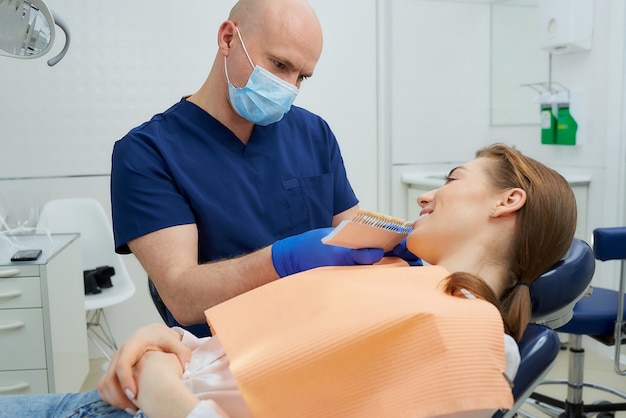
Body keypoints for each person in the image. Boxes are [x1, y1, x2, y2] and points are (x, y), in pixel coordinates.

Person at [0, 144, 577, 417]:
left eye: (450, 179)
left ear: (509, 200)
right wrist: (166, 340)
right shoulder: (400, 277)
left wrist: (159, 378)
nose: (426, 195)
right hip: (134, 389)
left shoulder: (472, 337)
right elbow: (257, 361)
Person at [109, 0, 418, 338]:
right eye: (279, 65)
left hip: (323, 335)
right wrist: (282, 260)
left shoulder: (314, 134)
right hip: (225, 358)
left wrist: (392, 242)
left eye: (302, 76)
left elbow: (350, 231)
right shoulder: (147, 153)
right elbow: (182, 295)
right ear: (228, 39)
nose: (289, 87)